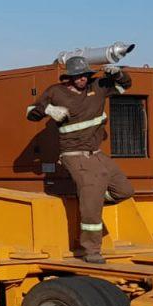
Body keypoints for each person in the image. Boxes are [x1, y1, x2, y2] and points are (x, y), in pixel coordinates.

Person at [27, 55, 134, 263]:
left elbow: (126, 85)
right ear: (70, 77)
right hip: (74, 156)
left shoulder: (99, 86)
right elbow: (31, 112)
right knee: (91, 206)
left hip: (96, 154)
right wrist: (49, 109)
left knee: (125, 191)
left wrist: (119, 74)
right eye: (77, 76)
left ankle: (92, 199)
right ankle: (91, 251)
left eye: (84, 76)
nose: (82, 80)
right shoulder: (55, 92)